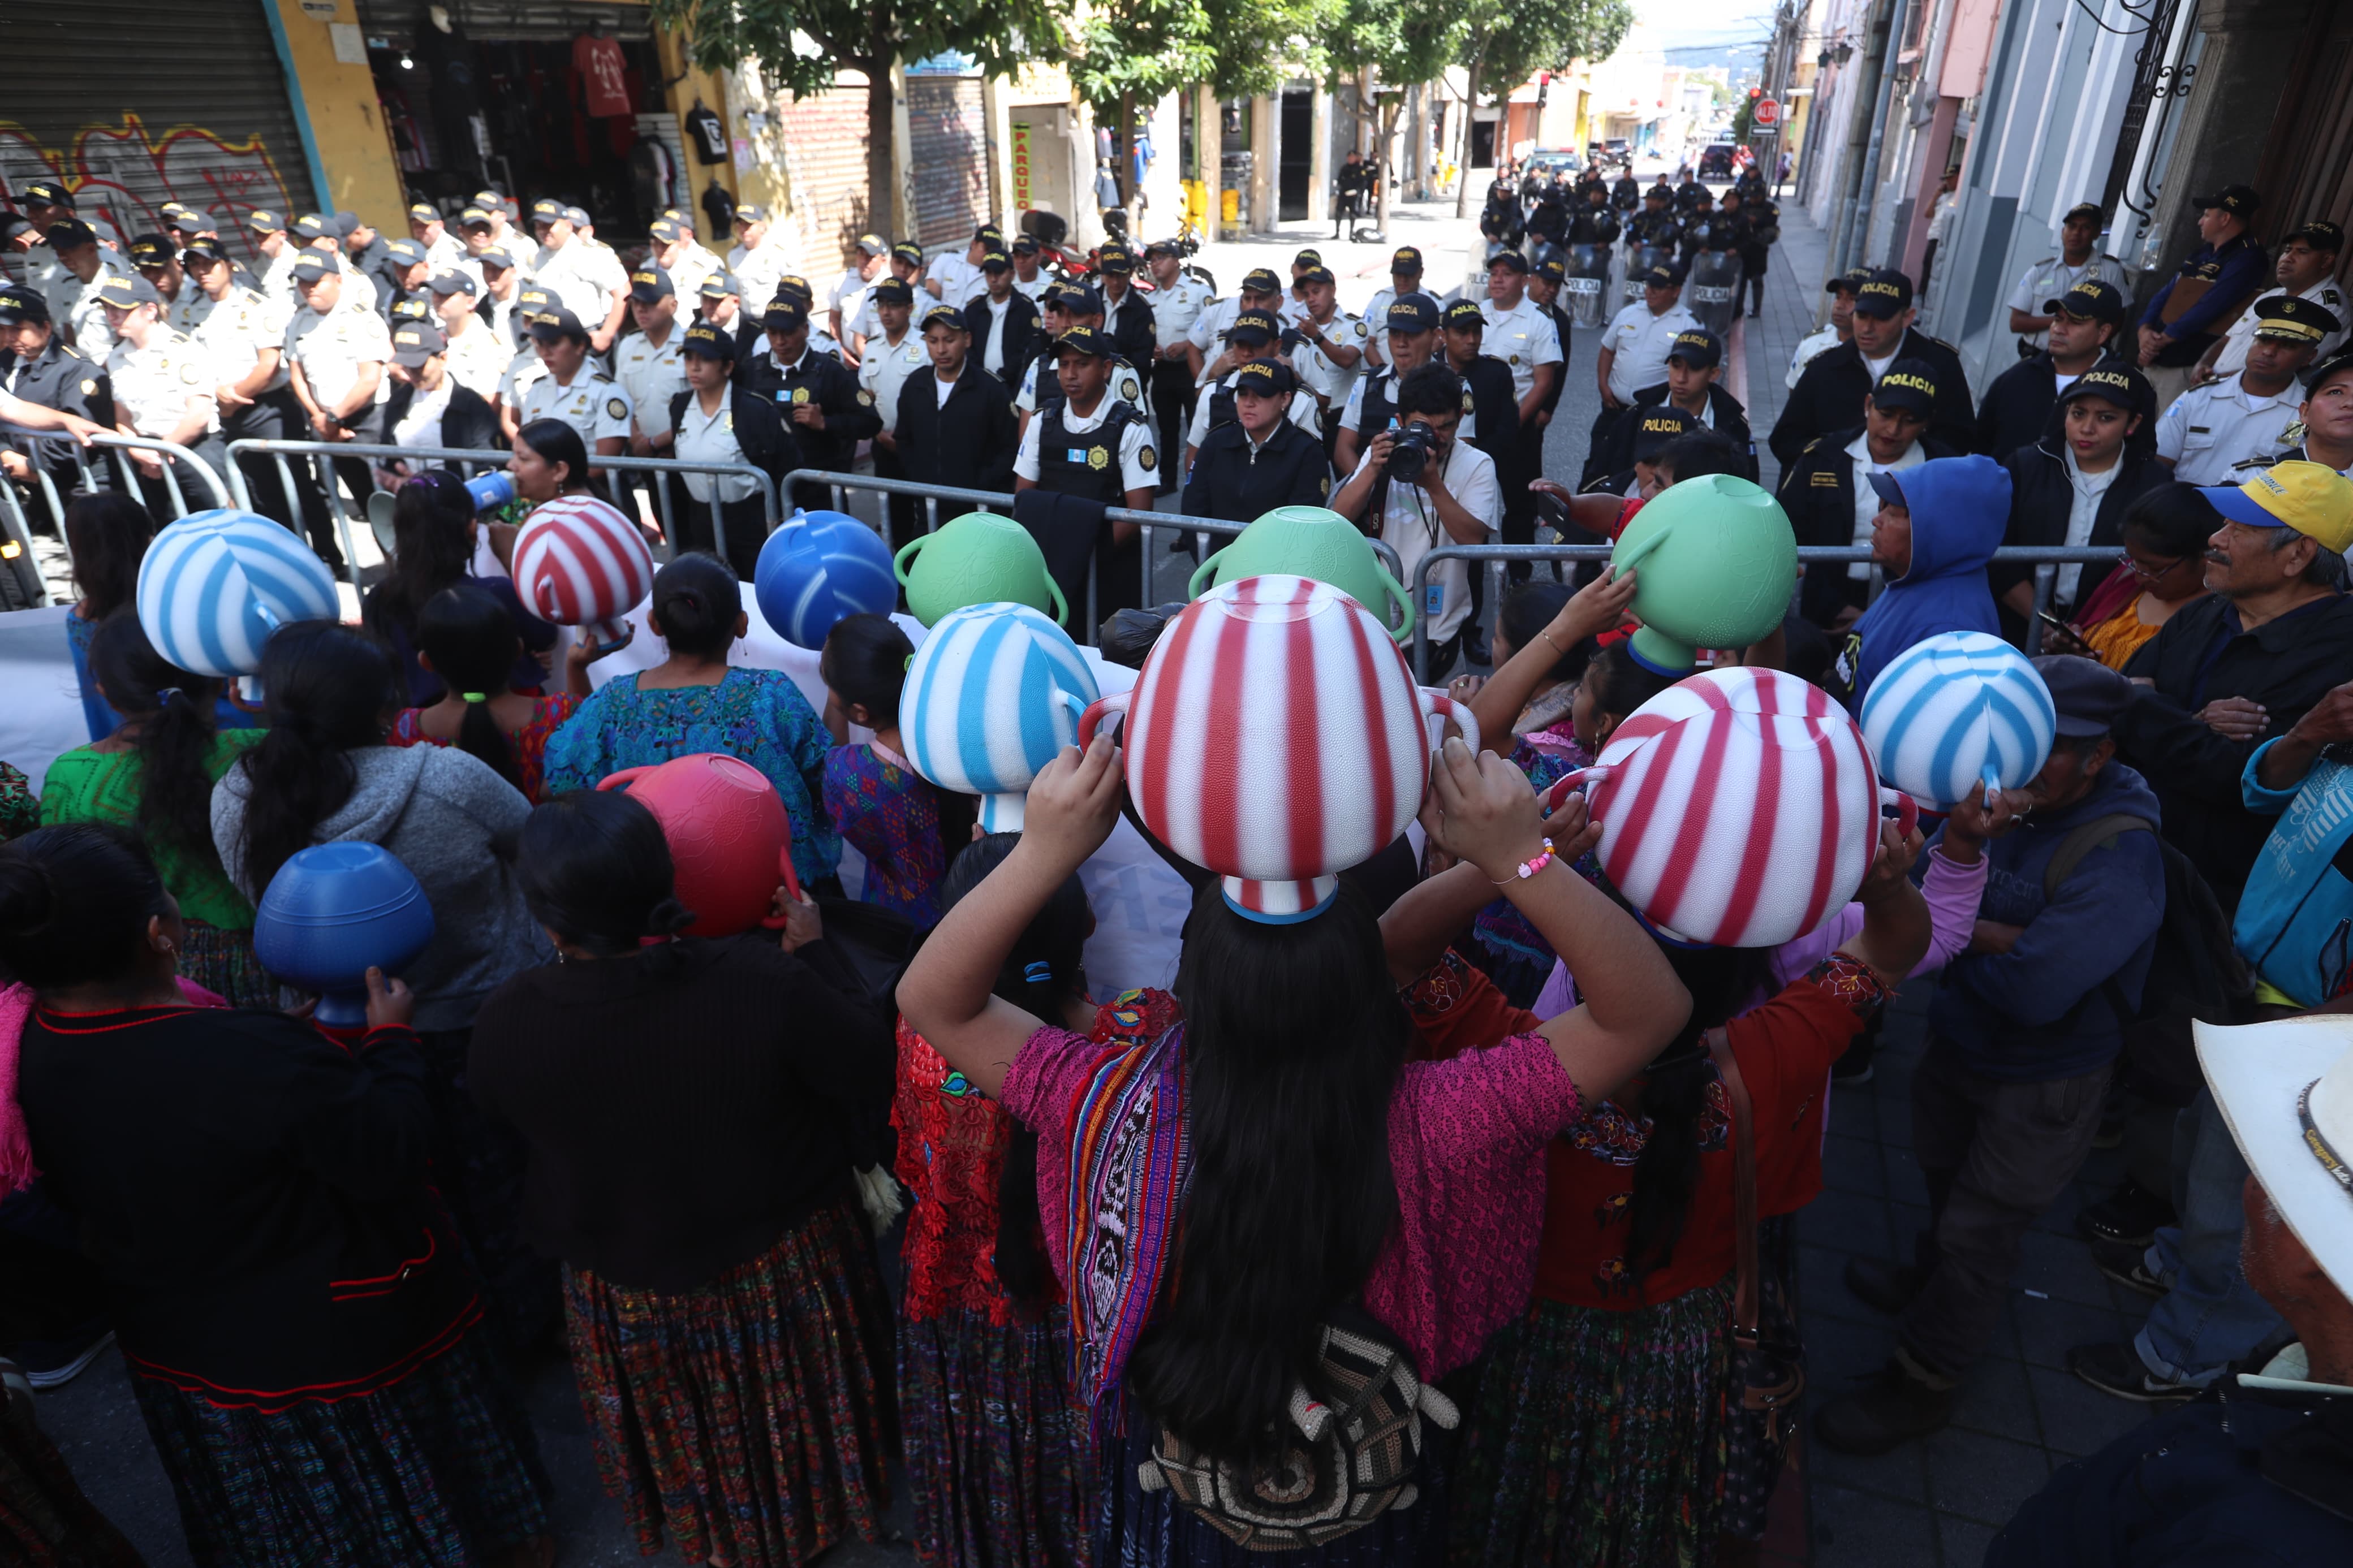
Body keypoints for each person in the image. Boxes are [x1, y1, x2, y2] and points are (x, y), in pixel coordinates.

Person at [897, 728, 1693, 1566]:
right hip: (1374, 1498)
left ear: (1190, 990)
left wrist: (1044, 852)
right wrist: (1518, 862)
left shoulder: (1104, 1098)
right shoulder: (1447, 1122)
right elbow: (1647, 1011)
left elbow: (933, 999)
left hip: (1178, 1493)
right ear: (1370, 991)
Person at [3, 823, 555, 1568]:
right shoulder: (251, 1055)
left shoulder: (30, 1048)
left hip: (182, 1343)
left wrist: (282, 1047)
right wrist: (392, 1041)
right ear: (160, 932)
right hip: (326, 1345)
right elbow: (387, 1150)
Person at [467, 788, 896, 1568]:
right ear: (666, 880)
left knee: (691, 1426)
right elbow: (867, 1063)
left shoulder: (507, 1019)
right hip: (782, 1261)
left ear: (547, 916)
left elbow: (504, 1117)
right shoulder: (762, 982)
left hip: (624, 1281)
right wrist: (818, 949)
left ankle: (719, 1539)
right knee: (790, 1408)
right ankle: (813, 1520)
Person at [1815, 659, 2166, 1453]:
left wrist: (1943, 932)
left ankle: (1924, 1379)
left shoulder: (2120, 853)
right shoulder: (2007, 800)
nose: (2008, 767)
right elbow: (1937, 893)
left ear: (2100, 755)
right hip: (1962, 1043)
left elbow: (2038, 988)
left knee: (1983, 1232)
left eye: (2040, 747)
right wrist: (1970, 927)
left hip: (2044, 1083)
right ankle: (1927, 1278)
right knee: (1944, 1184)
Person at [208, 621, 555, 1345]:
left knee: (397, 1195)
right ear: (384, 704)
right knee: (505, 1183)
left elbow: (257, 902)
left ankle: (448, 1334)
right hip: (480, 1021)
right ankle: (531, 1324)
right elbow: (534, 846)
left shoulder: (239, 798)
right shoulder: (449, 778)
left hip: (335, 1036)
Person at [1985, 1026, 2353, 1562]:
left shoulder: (2255, 1539)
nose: (2249, 1184)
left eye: (2269, 1168)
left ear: (2304, 1254)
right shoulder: (2300, 1395)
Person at [892, 833, 1094, 1567]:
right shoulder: (1129, 1044)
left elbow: (914, 1158)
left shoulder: (919, 1038)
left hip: (957, 1294)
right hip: (1078, 1310)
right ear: (1088, 928)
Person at [2110, 461, 2353, 904]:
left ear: (2298, 555)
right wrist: (2190, 719)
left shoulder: (2338, 648)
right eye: (2225, 523)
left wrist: (2146, 703)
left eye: (2240, 530)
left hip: (2221, 899)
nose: (2215, 539)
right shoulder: (2204, 612)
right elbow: (2112, 703)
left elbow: (2234, 776)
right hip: (2136, 856)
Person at [543, 552, 841, 894]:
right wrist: (839, 685)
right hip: (774, 897)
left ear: (655, 623)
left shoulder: (612, 703)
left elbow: (565, 777)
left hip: (659, 906)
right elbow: (830, 778)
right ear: (742, 624)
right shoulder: (771, 696)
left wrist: (576, 669)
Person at [38, 613, 272, 1008]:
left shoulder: (72, 777)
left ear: (104, 692)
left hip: (148, 982)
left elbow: (65, 892)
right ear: (215, 678)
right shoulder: (263, 753)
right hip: (279, 956)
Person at [1331, 362, 1502, 675]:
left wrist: (1434, 484)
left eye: (1446, 428)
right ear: (1400, 421)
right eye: (1423, 427)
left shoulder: (1478, 464)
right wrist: (1371, 470)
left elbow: (1472, 540)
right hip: (1378, 618)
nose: (1435, 438)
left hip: (1442, 627)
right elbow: (1338, 520)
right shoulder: (1383, 452)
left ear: (1461, 419)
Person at [1995, 364, 2167, 638]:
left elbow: (2149, 574)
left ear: (2133, 423)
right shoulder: (2024, 467)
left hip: (2104, 636)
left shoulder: (2155, 483)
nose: (2087, 428)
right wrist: (2051, 629)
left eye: (2106, 418)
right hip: (2015, 627)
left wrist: (2087, 634)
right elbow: (2000, 559)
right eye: (2078, 414)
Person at [361, 467, 557, 706]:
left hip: (425, 729)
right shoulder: (497, 593)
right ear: (472, 529)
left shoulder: (379, 600)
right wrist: (511, 558)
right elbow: (545, 635)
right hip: (514, 724)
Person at [1779, 362, 1954, 629]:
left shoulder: (1943, 469)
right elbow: (1785, 534)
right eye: (1886, 414)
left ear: (1928, 422)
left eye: (1909, 421)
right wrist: (1832, 607)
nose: (1893, 430)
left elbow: (1948, 552)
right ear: (1868, 405)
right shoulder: (1822, 457)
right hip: (1821, 607)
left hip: (1907, 609)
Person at [1834, 453, 2011, 709]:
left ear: (1939, 531)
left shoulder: (1948, 632)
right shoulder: (1918, 578)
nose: (1877, 520)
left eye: (1894, 512)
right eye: (1882, 507)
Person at [387, 584, 588, 805]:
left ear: (426, 663)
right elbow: (593, 743)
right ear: (518, 650)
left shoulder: (406, 732)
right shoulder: (561, 713)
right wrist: (576, 668)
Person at [819, 613, 955, 927]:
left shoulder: (853, 776)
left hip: (901, 922)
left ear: (861, 714)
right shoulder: (957, 731)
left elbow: (830, 761)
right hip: (967, 905)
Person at [1012, 326, 1159, 615]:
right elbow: (1023, 496)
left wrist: (1084, 555)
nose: (1070, 374)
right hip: (1051, 569)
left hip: (1108, 568)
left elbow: (1138, 512)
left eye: (1081, 364)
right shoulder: (1043, 421)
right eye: (1064, 365)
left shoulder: (1131, 428)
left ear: (1106, 369)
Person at [1772, 269, 1975, 466]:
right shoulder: (1825, 366)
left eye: (1881, 318)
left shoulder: (1941, 365)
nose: (1867, 328)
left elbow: (1958, 437)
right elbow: (1787, 438)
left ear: (1907, 317)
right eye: (1861, 316)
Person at [171, 237, 301, 531]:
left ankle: (326, 556)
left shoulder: (256, 305)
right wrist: (221, 402)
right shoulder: (188, 311)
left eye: (210, 264)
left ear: (228, 266)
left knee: (294, 487)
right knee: (254, 493)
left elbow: (268, 364)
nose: (203, 271)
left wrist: (233, 398)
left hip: (266, 408)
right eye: (195, 265)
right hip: (223, 412)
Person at [282, 250, 391, 574]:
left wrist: (332, 418)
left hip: (368, 422)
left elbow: (369, 379)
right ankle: (393, 570)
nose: (309, 289)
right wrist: (319, 416)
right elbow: (297, 375)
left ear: (339, 281)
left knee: (389, 502)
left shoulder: (362, 317)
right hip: (325, 421)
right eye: (303, 283)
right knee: (367, 503)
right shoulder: (298, 321)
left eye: (316, 282)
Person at [667, 318, 800, 580]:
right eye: (689, 358)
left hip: (749, 521)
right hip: (701, 519)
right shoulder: (679, 406)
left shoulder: (753, 409)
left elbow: (785, 465)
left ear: (727, 366)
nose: (694, 366)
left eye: (704, 359)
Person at [2154, 296, 2333, 485]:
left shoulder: (2311, 414)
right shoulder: (2198, 397)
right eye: (2264, 340)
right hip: (2182, 505)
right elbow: (2160, 462)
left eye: (2288, 346)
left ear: (2309, 357)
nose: (2268, 352)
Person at [94, 274, 225, 517]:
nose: (112, 315)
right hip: (148, 455)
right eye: (107, 308)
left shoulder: (183, 349)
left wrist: (164, 452)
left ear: (150, 310)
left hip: (194, 451)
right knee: (171, 528)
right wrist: (137, 451)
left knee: (221, 521)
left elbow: (198, 414)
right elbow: (122, 416)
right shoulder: (116, 358)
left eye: (122, 309)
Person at [2138, 184, 2271, 409]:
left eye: (2207, 215)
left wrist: (2165, 338)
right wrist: (2145, 332)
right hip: (2157, 356)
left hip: (2185, 364)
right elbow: (2165, 294)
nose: (2200, 221)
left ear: (2225, 218)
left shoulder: (2248, 257)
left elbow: (2214, 304)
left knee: (2164, 435)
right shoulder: (2201, 254)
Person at [740, 297, 880, 511]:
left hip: (820, 491)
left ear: (805, 329)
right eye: (773, 333)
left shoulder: (830, 371)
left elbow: (870, 422)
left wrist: (826, 423)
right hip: (767, 493)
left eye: (787, 333)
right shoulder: (751, 371)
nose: (780, 342)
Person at [1976, 279, 2133, 463]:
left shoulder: (2125, 391)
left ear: (2103, 333)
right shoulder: (2015, 378)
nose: (2059, 329)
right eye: (2058, 319)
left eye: (2075, 322)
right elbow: (1981, 449)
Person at [2068, 482, 2221, 670]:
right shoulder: (2125, 584)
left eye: (2155, 569)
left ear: (2206, 557)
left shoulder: (2220, 619)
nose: (2139, 578)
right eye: (2132, 561)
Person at [2196, 219, 2348, 385]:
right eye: (2288, 250)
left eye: (2302, 252)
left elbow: (2289, 366)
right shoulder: (2272, 296)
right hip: (2214, 385)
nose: (2288, 258)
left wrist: (2216, 381)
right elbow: (2227, 339)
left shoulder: (2330, 307)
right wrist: (2203, 364)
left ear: (2326, 261)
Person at [53, 493, 154, 742]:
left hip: (129, 753)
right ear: (146, 538)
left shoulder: (79, 622)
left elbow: (98, 709)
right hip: (213, 743)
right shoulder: (174, 604)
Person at [0, 285, 111, 511]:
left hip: (79, 487)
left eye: (19, 329)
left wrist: (32, 466)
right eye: (3, 329)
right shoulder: (5, 361)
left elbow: (77, 433)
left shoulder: (77, 368)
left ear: (46, 328)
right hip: (30, 486)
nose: (9, 338)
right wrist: (5, 452)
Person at [1590, 262, 1700, 487]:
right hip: (1613, 408)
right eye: (1649, 285)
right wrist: (1603, 385)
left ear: (1676, 291)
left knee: (1636, 472)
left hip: (1650, 418)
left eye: (1658, 287)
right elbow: (1607, 350)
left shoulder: (1688, 325)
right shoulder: (1628, 313)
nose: (1650, 291)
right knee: (1598, 464)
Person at [1180, 358, 1332, 520]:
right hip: (1217, 545)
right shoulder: (1216, 442)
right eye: (1243, 394)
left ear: (1285, 399)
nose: (1249, 403)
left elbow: (1303, 522)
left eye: (1261, 395)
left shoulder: (1307, 452)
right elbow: (1193, 507)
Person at [1597, 326, 1756, 479]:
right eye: (1676, 366)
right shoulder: (1637, 414)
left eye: (1694, 369)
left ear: (1713, 374)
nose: (1681, 378)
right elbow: (1600, 471)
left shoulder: (1735, 427)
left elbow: (1747, 487)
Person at [897, 303, 1021, 496]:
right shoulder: (915, 385)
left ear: (967, 340)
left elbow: (1011, 447)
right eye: (933, 341)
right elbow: (904, 439)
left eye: (949, 340)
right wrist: (918, 476)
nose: (941, 350)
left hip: (977, 508)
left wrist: (981, 483)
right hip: (928, 502)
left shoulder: (991, 389)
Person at [1184, 309, 1318, 473]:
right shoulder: (1213, 391)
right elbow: (1193, 457)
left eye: (1256, 345)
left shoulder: (1301, 399)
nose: (1247, 353)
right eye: (1241, 345)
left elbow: (1311, 466)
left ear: (1277, 346)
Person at [1335, 295, 1446, 475]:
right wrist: (1366, 488)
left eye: (1412, 334)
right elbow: (1343, 449)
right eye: (1395, 334)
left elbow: (1457, 455)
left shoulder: (1453, 387)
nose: (1401, 343)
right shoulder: (1368, 383)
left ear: (1435, 336)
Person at [2006, 202, 2132, 356]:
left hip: (2082, 361)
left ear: (2097, 233)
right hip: (2035, 356)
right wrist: (2060, 320)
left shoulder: (2111, 271)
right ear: (2062, 231)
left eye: (2086, 228)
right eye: (2072, 226)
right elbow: (2016, 323)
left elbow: (2119, 317)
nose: (2076, 233)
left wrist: (2092, 344)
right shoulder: (2040, 271)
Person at [516, 304, 631, 468]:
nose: (545, 352)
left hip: (590, 489)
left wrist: (559, 483)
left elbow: (606, 463)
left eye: (554, 343)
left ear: (579, 346)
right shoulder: (537, 389)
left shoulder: (606, 392)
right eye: (540, 344)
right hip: (546, 489)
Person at [383, 322, 501, 460]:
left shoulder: (470, 404)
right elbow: (388, 449)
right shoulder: (398, 401)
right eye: (407, 366)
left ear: (443, 359)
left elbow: (485, 456)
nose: (412, 373)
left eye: (419, 366)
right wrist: (395, 473)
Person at [1144, 238, 1212, 475]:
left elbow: (1213, 331)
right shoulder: (1151, 299)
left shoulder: (1197, 291)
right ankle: (1168, 477)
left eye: (1160, 259)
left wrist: (1186, 345)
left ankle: (1202, 475)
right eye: (1152, 260)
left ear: (1176, 261)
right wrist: (1152, 348)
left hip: (1191, 370)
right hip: (1163, 371)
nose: (1155, 264)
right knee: (1167, 429)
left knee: (1199, 425)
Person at [526, 200, 628, 355]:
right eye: (538, 226)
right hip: (552, 339)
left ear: (568, 226)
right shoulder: (539, 256)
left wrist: (606, 335)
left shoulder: (590, 254)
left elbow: (623, 292)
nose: (542, 231)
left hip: (587, 337)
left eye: (548, 225)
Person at [962, 254, 1042, 389]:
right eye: (989, 274)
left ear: (1012, 274)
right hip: (977, 385)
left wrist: (1001, 376)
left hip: (1014, 385)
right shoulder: (974, 309)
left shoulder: (1026, 309)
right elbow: (966, 347)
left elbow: (1028, 349)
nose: (993, 279)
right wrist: (981, 376)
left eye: (999, 273)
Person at [1787, 268, 1868, 391]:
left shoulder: (1875, 351)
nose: (1839, 305)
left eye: (1852, 299)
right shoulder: (1812, 342)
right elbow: (1794, 389)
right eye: (1838, 297)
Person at [1095, 244, 1160, 372]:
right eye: (1110, 275)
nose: (1115, 282)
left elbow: (1142, 360)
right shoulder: (1091, 301)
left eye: (1120, 275)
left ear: (1130, 273)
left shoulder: (1141, 310)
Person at [830, 232, 889, 361]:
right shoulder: (843, 281)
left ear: (883, 260)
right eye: (860, 255)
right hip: (850, 360)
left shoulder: (890, 285)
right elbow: (834, 317)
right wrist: (841, 350)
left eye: (869, 257)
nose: (863, 261)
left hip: (884, 361)